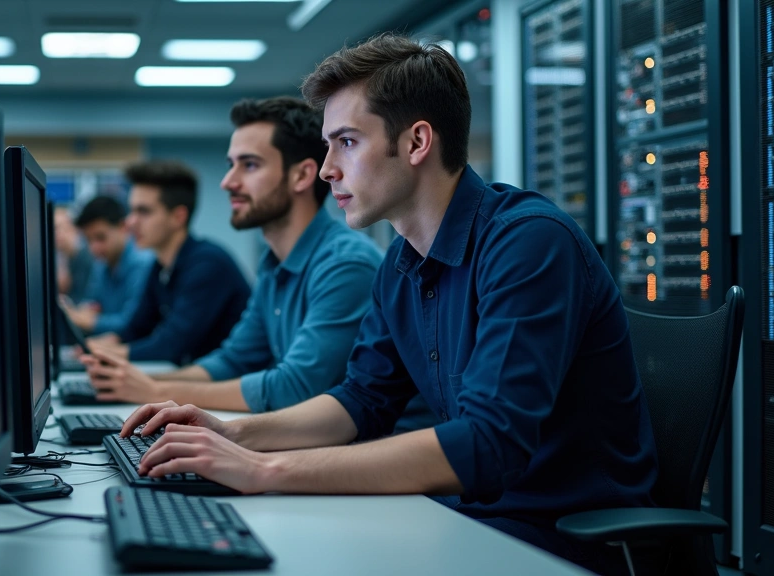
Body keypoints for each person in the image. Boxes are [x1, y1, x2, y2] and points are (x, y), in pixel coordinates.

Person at [117, 34, 660, 575]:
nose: (328, 168)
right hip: (468, 517)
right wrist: (230, 432)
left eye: (347, 142)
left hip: (558, 539)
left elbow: (488, 443)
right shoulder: (401, 261)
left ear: (417, 142)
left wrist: (265, 469)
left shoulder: (529, 243)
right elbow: (361, 401)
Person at [83, 97, 396, 417]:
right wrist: (137, 381)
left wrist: (158, 391)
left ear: (301, 176)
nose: (227, 182)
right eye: (231, 165)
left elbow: (295, 387)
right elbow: (233, 360)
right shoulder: (274, 264)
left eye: (249, 165)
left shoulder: (345, 264)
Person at [88, 160, 251, 366]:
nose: (130, 222)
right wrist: (95, 347)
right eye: (132, 211)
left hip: (226, 386)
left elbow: (172, 345)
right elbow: (136, 328)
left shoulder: (208, 264)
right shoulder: (160, 266)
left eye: (143, 212)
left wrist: (113, 353)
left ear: (178, 217)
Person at [60, 195, 153, 335]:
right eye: (88, 240)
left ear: (123, 227)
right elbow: (92, 301)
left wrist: (80, 318)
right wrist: (86, 310)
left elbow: (131, 322)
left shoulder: (143, 263)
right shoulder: (102, 265)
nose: (94, 248)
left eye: (101, 237)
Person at [52, 205, 95, 304]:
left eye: (57, 228)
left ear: (72, 227)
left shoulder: (86, 256)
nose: (55, 233)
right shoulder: (64, 257)